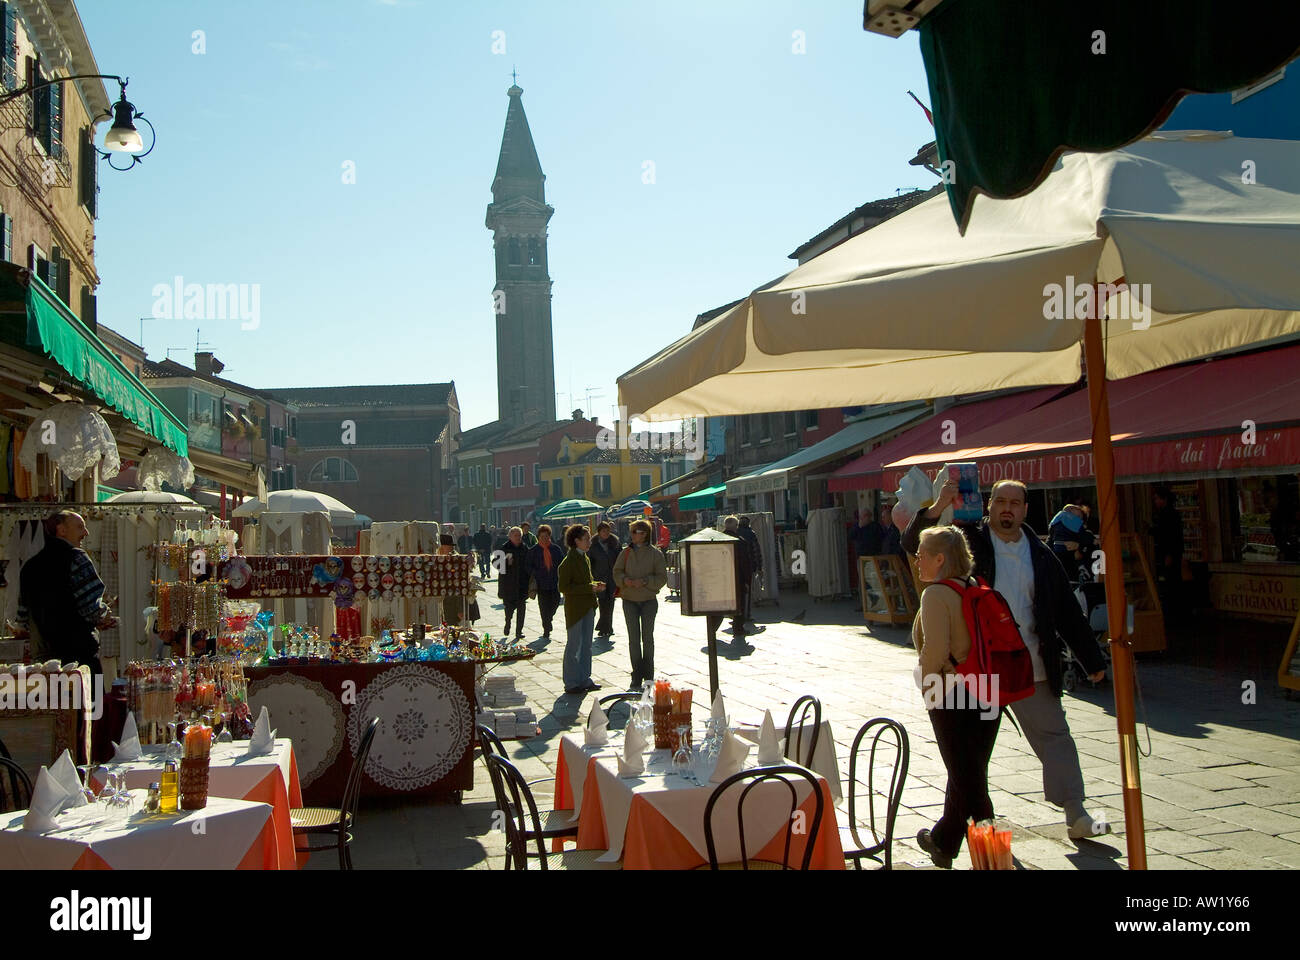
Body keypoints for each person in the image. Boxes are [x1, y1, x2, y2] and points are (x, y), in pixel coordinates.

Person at [903, 478, 1112, 840]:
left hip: (1028, 664)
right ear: (988, 505)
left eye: (1015, 503)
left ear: (1025, 510)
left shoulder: (1042, 554)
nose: (1007, 508)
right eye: (1000, 500)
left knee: (1055, 736)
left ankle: (1076, 812)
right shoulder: (972, 541)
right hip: (978, 671)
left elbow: (1065, 611)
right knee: (970, 760)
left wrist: (1092, 659)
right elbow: (915, 544)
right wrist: (938, 506)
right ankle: (965, 834)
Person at [912, 525, 1000, 868]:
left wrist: (926, 686)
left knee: (971, 783)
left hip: (951, 691)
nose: (917, 561)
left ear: (940, 559)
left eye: (921, 555)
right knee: (966, 772)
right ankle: (944, 843)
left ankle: (993, 859)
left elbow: (934, 650)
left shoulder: (935, 594)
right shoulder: (976, 586)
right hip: (988, 689)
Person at [14, 511, 117, 677]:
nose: (86, 532)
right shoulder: (77, 558)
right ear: (61, 530)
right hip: (79, 658)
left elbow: (22, 617)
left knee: (51, 702)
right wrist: (104, 615)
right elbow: (91, 608)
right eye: (80, 527)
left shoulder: (30, 566)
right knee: (90, 701)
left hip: (43, 663)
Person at [614, 518, 667, 688]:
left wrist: (645, 581)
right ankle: (636, 673)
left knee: (648, 638)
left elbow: (661, 578)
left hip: (648, 601)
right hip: (629, 600)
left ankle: (648, 674)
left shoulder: (655, 553)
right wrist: (625, 581)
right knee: (633, 639)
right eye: (632, 532)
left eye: (636, 532)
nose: (633, 535)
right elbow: (616, 572)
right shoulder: (626, 552)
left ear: (644, 534)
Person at [557, 524, 605, 695]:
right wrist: (589, 588)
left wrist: (594, 586)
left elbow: (585, 582)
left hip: (588, 607)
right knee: (574, 645)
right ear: (576, 541)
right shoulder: (568, 562)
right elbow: (564, 587)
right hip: (575, 609)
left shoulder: (584, 558)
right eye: (586, 539)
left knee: (586, 646)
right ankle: (570, 682)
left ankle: (584, 678)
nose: (589, 542)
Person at [708, 517, 753, 647]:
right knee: (739, 605)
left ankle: (712, 629)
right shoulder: (740, 542)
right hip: (736, 579)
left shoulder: (715, 540)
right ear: (736, 526)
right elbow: (744, 563)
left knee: (721, 605)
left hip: (720, 579)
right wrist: (747, 580)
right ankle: (738, 629)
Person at [1148, 487, 1184, 621]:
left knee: (1171, 584)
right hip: (1169, 553)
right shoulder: (1167, 514)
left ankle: (1173, 614)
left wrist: (1169, 554)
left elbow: (1169, 535)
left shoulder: (1168, 515)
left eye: (1157, 499)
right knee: (1170, 583)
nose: (1155, 502)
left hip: (1169, 554)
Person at [527, 524, 565, 640]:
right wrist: (535, 573)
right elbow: (528, 566)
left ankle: (549, 619)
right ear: (538, 537)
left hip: (554, 582)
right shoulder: (534, 550)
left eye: (546, 536)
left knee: (555, 603)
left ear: (549, 536)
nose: (544, 538)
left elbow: (562, 563)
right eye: (542, 536)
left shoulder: (555, 549)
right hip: (541, 583)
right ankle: (546, 628)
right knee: (543, 607)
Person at [588, 521, 622, 640]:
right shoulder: (593, 545)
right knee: (602, 603)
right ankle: (604, 627)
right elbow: (589, 562)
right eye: (604, 531)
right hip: (599, 578)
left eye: (608, 531)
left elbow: (620, 558)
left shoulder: (615, 543)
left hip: (612, 578)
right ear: (599, 532)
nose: (606, 533)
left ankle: (608, 627)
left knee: (611, 602)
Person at [496, 526, 530, 639]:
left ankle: (519, 631)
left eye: (519, 536)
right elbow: (496, 564)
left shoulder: (524, 548)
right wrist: (505, 561)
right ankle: (508, 623)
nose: (518, 538)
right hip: (508, 586)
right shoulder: (504, 548)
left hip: (522, 585)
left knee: (522, 610)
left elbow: (530, 563)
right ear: (510, 537)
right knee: (509, 610)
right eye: (515, 536)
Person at [1048, 504, 1091, 581]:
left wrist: (1078, 547)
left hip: (1075, 572)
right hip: (1059, 567)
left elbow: (1090, 549)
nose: (1072, 518)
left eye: (1078, 516)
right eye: (1070, 514)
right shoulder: (1054, 534)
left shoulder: (1086, 536)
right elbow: (1048, 549)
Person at [736, 515, 764, 632]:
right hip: (749, 566)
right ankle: (746, 613)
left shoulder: (734, 533)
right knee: (747, 592)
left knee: (736, 591)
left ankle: (735, 613)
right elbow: (756, 551)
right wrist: (759, 566)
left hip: (734, 567)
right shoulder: (751, 534)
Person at [435, 534, 463, 625]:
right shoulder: (443, 558)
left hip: (453, 603)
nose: (439, 550)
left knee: (453, 626)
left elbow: (459, 585)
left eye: (441, 547)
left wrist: (460, 609)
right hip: (447, 602)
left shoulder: (454, 559)